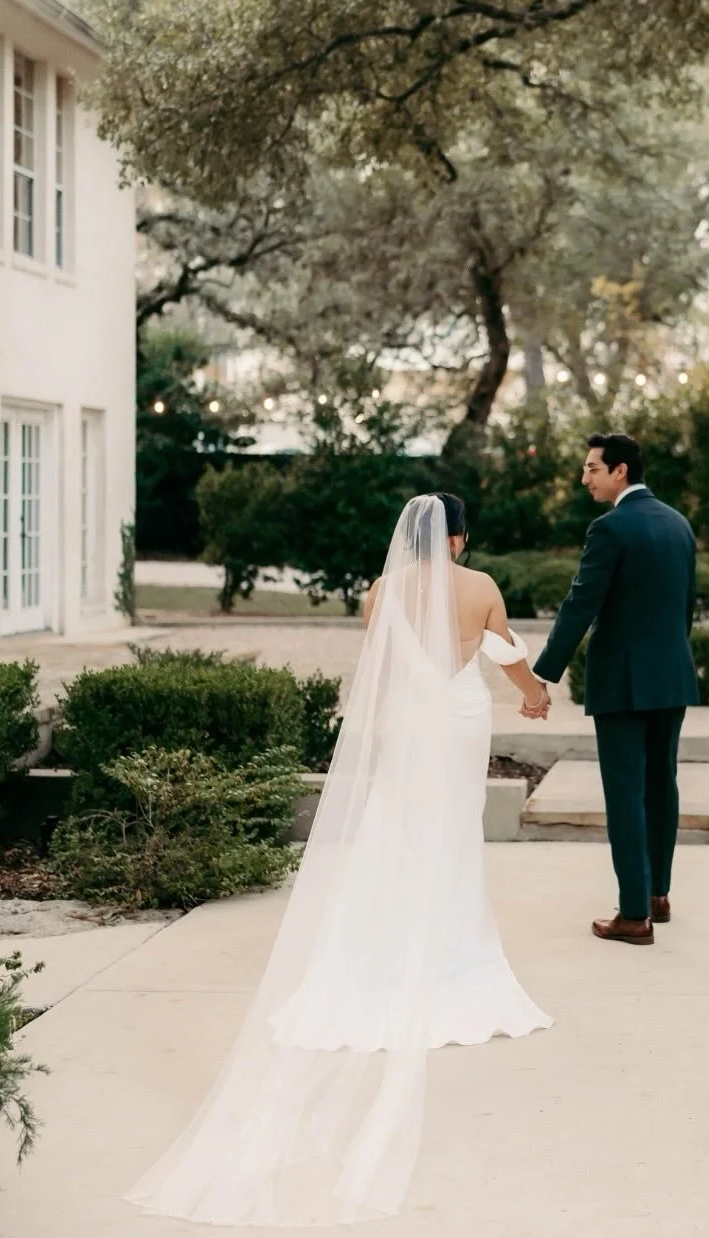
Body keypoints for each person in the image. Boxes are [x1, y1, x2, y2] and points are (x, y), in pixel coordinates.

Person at [126, 493, 552, 1227]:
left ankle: (383, 943)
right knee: (451, 833)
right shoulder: (480, 587)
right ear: (458, 537)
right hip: (456, 722)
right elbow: (504, 653)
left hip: (412, 720)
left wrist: (386, 732)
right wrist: (536, 695)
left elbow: (383, 668)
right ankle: (451, 949)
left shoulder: (385, 590)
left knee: (395, 831)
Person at [532, 433, 699, 946]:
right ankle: (657, 896)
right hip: (672, 675)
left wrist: (542, 674)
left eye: (592, 469)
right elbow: (686, 606)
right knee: (661, 785)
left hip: (624, 682)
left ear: (620, 471)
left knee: (626, 793)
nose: (585, 479)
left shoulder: (610, 529)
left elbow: (580, 604)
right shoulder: (679, 524)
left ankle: (633, 916)